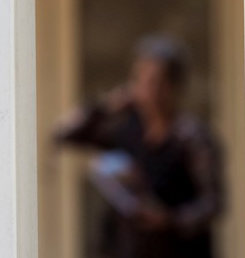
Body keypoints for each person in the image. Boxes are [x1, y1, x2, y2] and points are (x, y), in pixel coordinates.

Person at [54, 36, 224, 258]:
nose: (143, 89)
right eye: (138, 79)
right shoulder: (126, 130)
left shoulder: (191, 137)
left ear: (172, 86)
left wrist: (170, 219)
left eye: (152, 80)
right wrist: (109, 103)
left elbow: (213, 202)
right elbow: (64, 134)